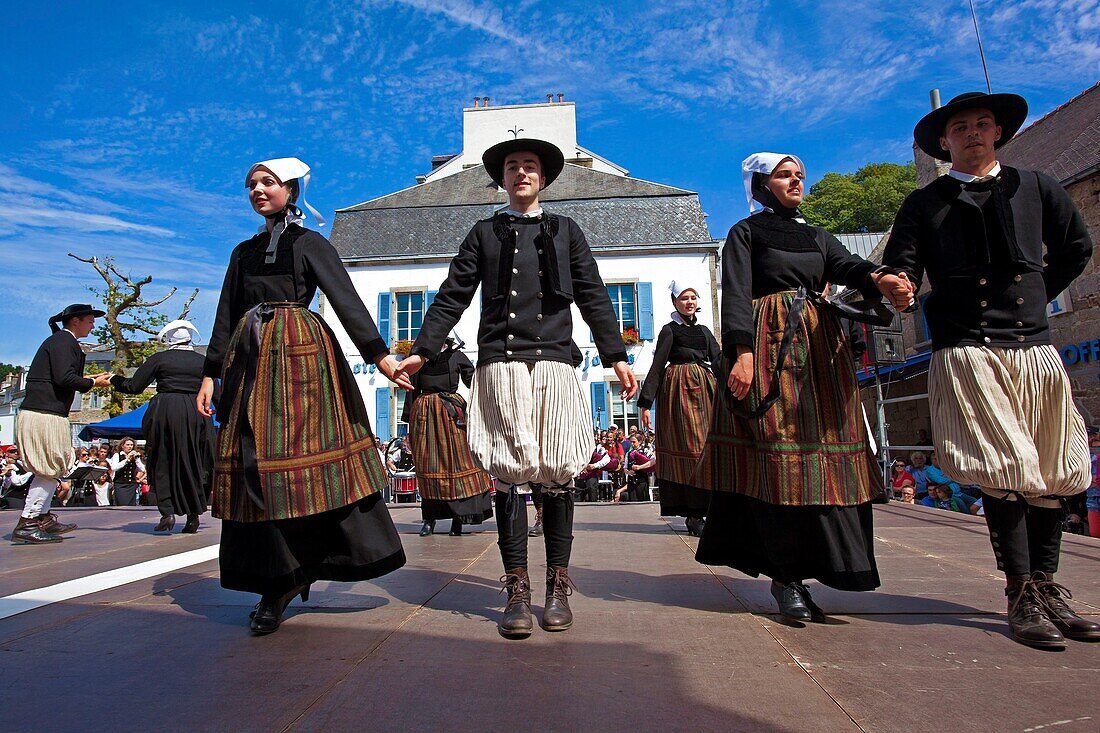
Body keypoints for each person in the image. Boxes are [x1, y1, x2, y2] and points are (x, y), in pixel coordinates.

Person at [393, 137, 637, 638]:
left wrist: (615, 355)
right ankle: (517, 590)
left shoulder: (568, 231)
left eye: (530, 166)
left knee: (557, 474)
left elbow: (592, 293)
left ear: (543, 177)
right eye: (512, 166)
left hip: (555, 364)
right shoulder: (483, 233)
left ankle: (557, 587)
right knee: (508, 473)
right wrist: (422, 347)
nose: (521, 173)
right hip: (500, 365)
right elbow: (452, 295)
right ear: (502, 178)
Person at [885, 91, 1097, 649]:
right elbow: (900, 270)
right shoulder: (924, 203)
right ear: (945, 140)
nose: (973, 133)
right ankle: (1020, 593)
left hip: (1033, 348)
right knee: (1007, 467)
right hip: (967, 348)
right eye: (961, 127)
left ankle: (1048, 587)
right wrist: (898, 287)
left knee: (1053, 468)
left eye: (983, 124)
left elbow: (1077, 249)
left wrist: (1035, 297)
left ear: (998, 132)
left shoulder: (1037, 186)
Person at [693, 152, 913, 621]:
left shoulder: (817, 235)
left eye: (799, 176)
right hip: (769, 347)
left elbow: (851, 268)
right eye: (784, 175)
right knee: (778, 459)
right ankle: (785, 577)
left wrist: (884, 278)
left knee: (825, 459)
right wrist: (743, 353)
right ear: (759, 183)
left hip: (819, 353)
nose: (795, 182)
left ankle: (822, 567)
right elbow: (733, 293)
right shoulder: (745, 234)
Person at [197, 157, 408, 634]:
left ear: (291, 190)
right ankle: (275, 581)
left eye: (268, 183)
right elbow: (226, 314)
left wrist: (379, 356)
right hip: (250, 362)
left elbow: (345, 297)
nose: (258, 190)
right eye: (251, 183)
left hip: (303, 360)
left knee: (303, 466)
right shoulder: (241, 253)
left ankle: (305, 568)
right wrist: (211, 374)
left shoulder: (310, 242)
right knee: (256, 466)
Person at [10, 304, 112, 544]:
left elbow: (61, 376)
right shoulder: (64, 342)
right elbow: (64, 378)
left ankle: (42, 517)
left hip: (46, 411)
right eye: (89, 320)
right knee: (48, 466)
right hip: (44, 413)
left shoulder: (60, 342)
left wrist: (90, 379)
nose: (93, 324)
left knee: (52, 466)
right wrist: (93, 384)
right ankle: (29, 521)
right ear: (75, 321)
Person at [110, 320, 216, 533]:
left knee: (162, 459)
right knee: (195, 460)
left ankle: (167, 512)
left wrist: (114, 379)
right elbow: (215, 390)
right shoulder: (203, 361)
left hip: (165, 409)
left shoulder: (159, 359)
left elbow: (134, 386)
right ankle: (193, 515)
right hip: (195, 410)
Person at [638, 280, 721, 535]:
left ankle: (710, 511)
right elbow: (657, 365)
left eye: (693, 297)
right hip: (679, 391)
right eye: (684, 298)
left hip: (705, 390)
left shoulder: (705, 331)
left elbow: (718, 359)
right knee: (690, 449)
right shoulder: (669, 330)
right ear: (675, 302)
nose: (689, 302)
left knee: (708, 447)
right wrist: (645, 403)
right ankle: (694, 513)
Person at [402, 333, 493, 537]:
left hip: (451, 414)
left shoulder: (457, 356)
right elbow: (411, 388)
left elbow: (473, 382)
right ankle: (429, 520)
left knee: (458, 463)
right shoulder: (419, 356)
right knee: (428, 465)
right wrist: (409, 423)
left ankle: (458, 520)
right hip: (424, 414)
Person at [108, 437, 145, 507]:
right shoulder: (117, 455)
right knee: (122, 504)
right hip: (120, 484)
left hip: (131, 485)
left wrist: (137, 459)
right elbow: (114, 468)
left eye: (131, 445)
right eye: (128, 445)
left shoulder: (135, 456)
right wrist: (126, 460)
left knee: (131, 506)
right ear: (122, 446)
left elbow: (142, 469)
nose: (130, 447)